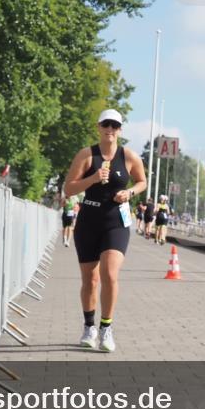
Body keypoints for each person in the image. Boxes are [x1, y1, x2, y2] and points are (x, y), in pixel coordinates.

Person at [63, 109, 146, 353]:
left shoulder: (129, 156)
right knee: (91, 279)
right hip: (88, 220)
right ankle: (89, 327)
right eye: (106, 124)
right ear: (98, 127)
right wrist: (93, 179)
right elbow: (69, 189)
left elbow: (142, 182)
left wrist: (130, 192)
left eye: (115, 125)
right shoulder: (86, 155)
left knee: (110, 274)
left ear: (120, 130)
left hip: (115, 222)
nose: (110, 129)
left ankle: (106, 328)